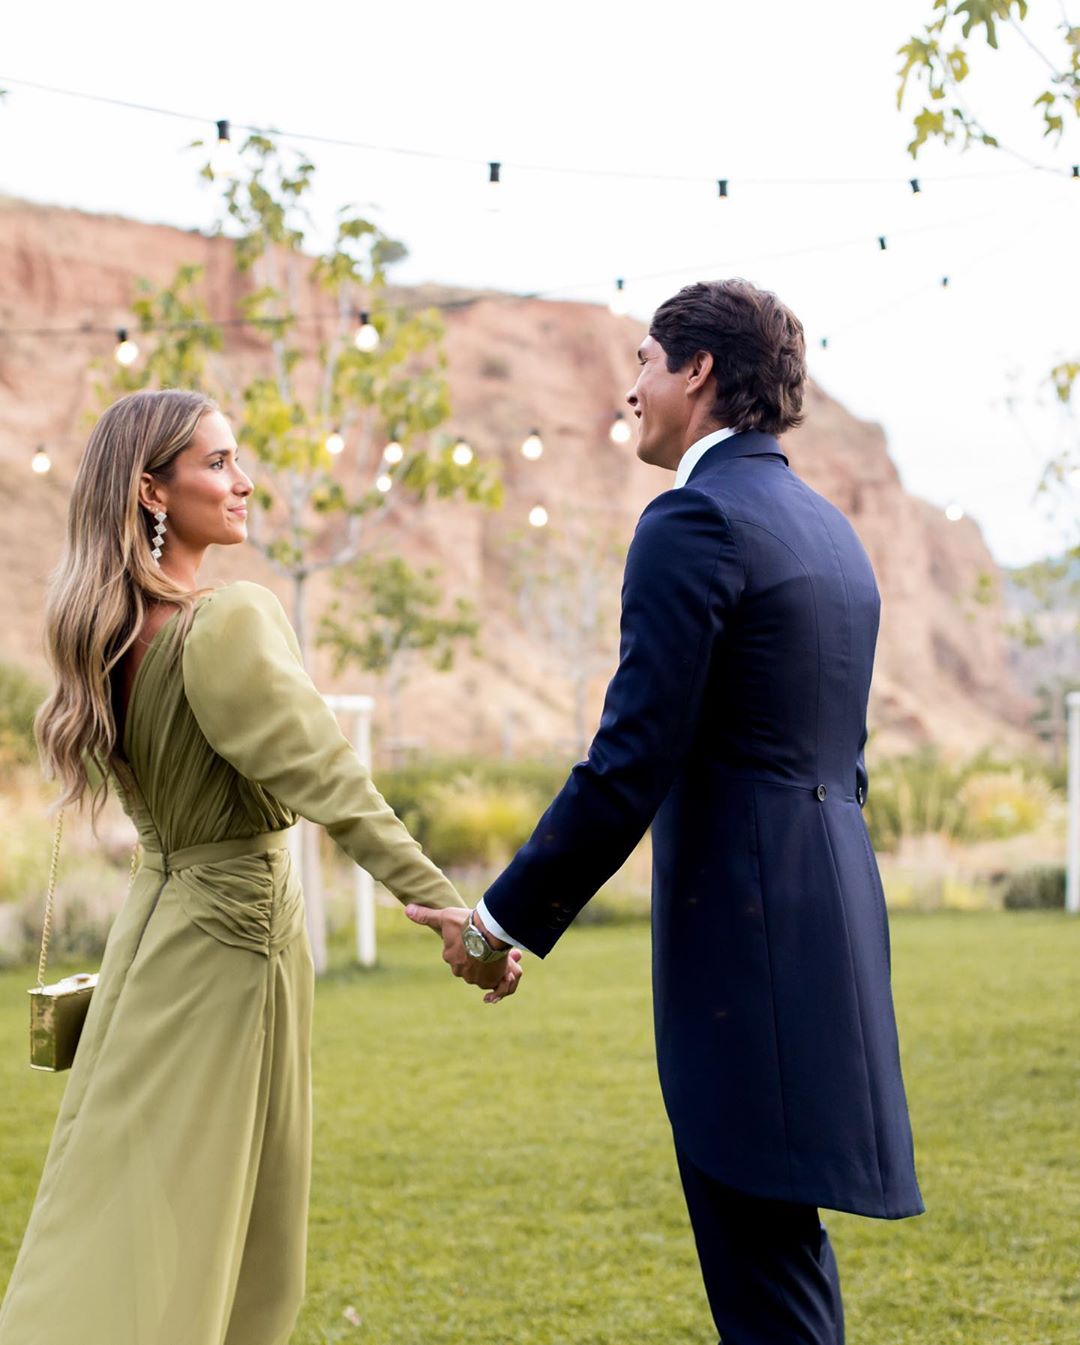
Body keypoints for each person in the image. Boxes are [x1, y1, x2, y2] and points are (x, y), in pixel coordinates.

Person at [407, 279, 923, 1345]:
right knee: (779, 1252)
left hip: (744, 937)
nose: (628, 386)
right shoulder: (827, 529)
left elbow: (633, 755)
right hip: (832, 911)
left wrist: (499, 921)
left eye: (644, 360)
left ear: (698, 371)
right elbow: (841, 755)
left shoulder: (694, 519)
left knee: (759, 1268)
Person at [0, 389, 521, 1345]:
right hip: (231, 956)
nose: (244, 482)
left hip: (153, 941)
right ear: (152, 491)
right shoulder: (225, 621)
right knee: (234, 1227)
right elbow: (335, 783)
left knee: (123, 1195)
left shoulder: (107, 633)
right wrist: (452, 910)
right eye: (217, 463)